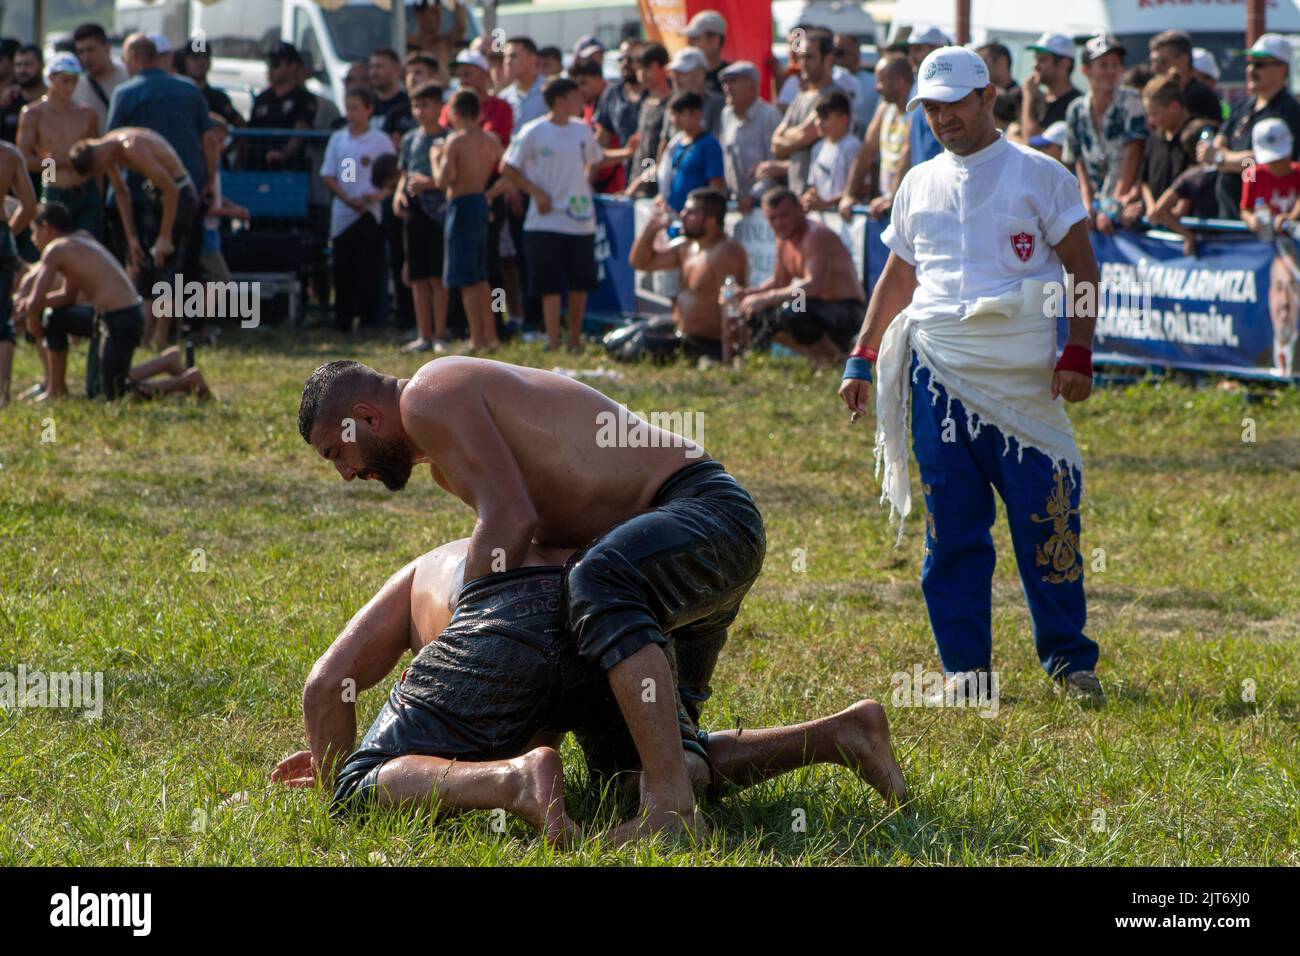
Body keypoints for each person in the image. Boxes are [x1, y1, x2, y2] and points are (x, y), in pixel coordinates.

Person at [296, 356, 768, 840]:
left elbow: (510, 520)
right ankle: (836, 735)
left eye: (336, 452)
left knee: (595, 580)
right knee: (654, 761)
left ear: (366, 417)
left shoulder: (427, 393)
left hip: (707, 517)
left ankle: (673, 812)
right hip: (671, 576)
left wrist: (464, 640)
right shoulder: (444, 458)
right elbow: (536, 548)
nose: (345, 473)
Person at [271, 536, 906, 846]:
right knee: (654, 768)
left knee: (358, 789)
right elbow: (539, 706)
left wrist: (337, 772)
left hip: (503, 628)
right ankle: (837, 734)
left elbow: (329, 684)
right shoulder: (539, 541)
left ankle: (513, 782)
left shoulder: (427, 574)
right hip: (605, 612)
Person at [838, 47, 1103, 703]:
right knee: (951, 529)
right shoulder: (917, 182)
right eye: (930, 106)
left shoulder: (1041, 175)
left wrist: (1079, 350)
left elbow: (1082, 268)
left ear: (989, 97)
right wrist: (863, 352)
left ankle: (1070, 664)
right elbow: (900, 274)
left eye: (954, 101)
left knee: (1049, 519)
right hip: (937, 375)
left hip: (1027, 378)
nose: (942, 116)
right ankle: (966, 675)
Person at [501, 77, 629, 351]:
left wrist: (628, 153)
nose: (580, 102)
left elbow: (598, 157)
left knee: (579, 283)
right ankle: (552, 340)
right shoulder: (533, 131)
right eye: (575, 97)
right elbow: (508, 168)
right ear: (559, 101)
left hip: (580, 221)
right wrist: (537, 193)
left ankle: (574, 340)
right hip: (543, 221)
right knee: (548, 285)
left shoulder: (582, 130)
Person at [69, 127, 202, 346]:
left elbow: (171, 190)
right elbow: (122, 193)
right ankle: (145, 336)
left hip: (178, 194)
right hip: (157, 195)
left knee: (167, 265)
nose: (105, 171)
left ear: (98, 155)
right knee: (146, 266)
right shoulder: (108, 148)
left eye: (100, 169)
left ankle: (162, 335)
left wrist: (165, 236)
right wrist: (131, 237)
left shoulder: (132, 146)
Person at [18, 201, 145, 400]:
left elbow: (35, 301)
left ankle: (184, 379)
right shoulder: (82, 238)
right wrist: (33, 306)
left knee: (108, 393)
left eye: (33, 232)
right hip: (118, 316)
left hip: (119, 319)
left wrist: (33, 324)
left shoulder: (55, 250)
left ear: (47, 228)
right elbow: (66, 296)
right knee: (55, 317)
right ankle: (55, 389)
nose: (33, 240)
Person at [733, 187, 865, 366]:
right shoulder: (783, 239)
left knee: (794, 311)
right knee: (759, 313)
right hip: (815, 307)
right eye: (773, 218)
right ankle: (818, 358)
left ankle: (837, 360)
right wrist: (748, 294)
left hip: (847, 310)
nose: (779, 223)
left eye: (784, 216)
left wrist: (766, 298)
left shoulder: (816, 235)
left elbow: (814, 285)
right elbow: (779, 282)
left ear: (799, 210)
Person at [629, 187, 748, 362]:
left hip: (706, 343)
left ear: (711, 221)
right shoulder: (686, 247)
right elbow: (640, 263)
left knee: (633, 349)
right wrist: (651, 227)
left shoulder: (726, 251)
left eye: (691, 212)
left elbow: (730, 306)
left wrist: (728, 360)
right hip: (679, 331)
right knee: (616, 341)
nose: (682, 215)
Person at [1199, 34, 1300, 222]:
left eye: (1260, 64)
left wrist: (1221, 158)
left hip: (1262, 221)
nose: (1251, 70)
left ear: (1283, 70)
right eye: (1249, 63)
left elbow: (1265, 159)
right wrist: (1218, 154)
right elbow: (1222, 138)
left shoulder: (1288, 112)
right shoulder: (1245, 104)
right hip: (1228, 214)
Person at [320, 86, 394, 333]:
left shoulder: (380, 140)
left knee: (368, 268)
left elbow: (392, 176)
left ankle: (368, 320)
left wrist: (377, 196)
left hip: (369, 212)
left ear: (369, 110)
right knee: (343, 268)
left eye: (356, 108)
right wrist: (347, 198)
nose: (350, 113)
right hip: (344, 213)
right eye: (348, 108)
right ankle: (342, 318)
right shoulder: (339, 138)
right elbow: (329, 175)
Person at [433, 89, 501, 351]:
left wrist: (435, 157)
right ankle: (491, 336)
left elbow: (443, 181)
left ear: (456, 112)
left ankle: (476, 338)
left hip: (461, 205)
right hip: (480, 202)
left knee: (466, 278)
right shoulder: (491, 139)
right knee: (481, 275)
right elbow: (506, 167)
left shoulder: (455, 141)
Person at [1066, 35, 1146, 235]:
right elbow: (1078, 161)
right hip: (1092, 208)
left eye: (1116, 65)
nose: (1110, 71)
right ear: (1086, 70)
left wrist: (1110, 207)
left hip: (1123, 206)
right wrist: (1086, 204)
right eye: (1103, 65)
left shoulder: (1131, 101)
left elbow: (1133, 155)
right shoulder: (1076, 110)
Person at [16, 53, 102, 239]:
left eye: (74, 81)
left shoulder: (86, 114)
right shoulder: (33, 113)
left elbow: (98, 159)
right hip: (53, 184)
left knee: (87, 249)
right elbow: (23, 159)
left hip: (84, 188)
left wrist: (98, 192)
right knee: (53, 247)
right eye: (65, 81)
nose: (70, 87)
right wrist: (60, 162)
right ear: (51, 79)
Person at [1240, 118, 1300, 377]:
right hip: (1270, 249)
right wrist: (1253, 220)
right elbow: (1245, 208)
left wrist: (1290, 218)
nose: (1277, 164)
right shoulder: (1251, 170)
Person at [393, 81, 448, 353]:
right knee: (417, 276)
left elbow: (452, 179)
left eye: (426, 105)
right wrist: (398, 195)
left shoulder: (448, 138)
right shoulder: (409, 139)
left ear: (439, 106)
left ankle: (439, 334)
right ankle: (423, 334)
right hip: (414, 212)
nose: (420, 111)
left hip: (438, 213)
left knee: (437, 277)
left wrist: (429, 184)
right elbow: (404, 173)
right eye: (416, 105)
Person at [838, 53, 913, 221]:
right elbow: (866, 151)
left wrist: (893, 197)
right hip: (888, 206)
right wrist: (848, 195)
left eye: (881, 81)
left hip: (909, 207)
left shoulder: (918, 112)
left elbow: (907, 155)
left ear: (900, 82)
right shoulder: (885, 108)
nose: (876, 88)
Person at [770, 31, 836, 195]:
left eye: (809, 57)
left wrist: (791, 136)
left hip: (820, 200)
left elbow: (806, 135)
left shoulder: (834, 96)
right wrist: (798, 135)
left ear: (827, 59)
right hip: (797, 193)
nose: (803, 63)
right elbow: (775, 144)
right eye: (801, 57)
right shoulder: (799, 98)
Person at [0, 138, 36, 405]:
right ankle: (1, 394)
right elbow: (30, 205)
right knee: (3, 320)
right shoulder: (9, 154)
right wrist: (8, 233)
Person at [717, 61, 780, 214]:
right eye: (725, 83)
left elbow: (773, 164)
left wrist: (753, 196)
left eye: (733, 82)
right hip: (735, 203)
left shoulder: (769, 116)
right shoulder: (726, 114)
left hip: (764, 207)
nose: (727, 88)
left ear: (752, 85)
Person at [246, 42, 316, 170]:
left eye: (276, 64)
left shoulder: (304, 98)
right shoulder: (262, 98)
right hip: (258, 168)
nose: (270, 69)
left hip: (290, 170)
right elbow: (249, 133)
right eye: (269, 64)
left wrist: (283, 153)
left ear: (292, 66)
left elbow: (300, 131)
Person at [1138, 74, 1196, 220]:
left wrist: (1181, 205)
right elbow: (1144, 180)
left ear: (1174, 106)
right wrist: (1152, 207)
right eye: (1149, 114)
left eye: (1156, 113)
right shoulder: (1153, 139)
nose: (1151, 121)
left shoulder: (1196, 134)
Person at [660, 91, 725, 214]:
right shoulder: (675, 144)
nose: (675, 119)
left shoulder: (709, 144)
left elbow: (716, 187)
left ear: (696, 114)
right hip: (674, 217)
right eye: (673, 114)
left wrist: (705, 218)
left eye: (681, 114)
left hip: (697, 223)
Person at [625, 43, 673, 198]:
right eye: (639, 69)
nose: (641, 74)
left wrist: (644, 181)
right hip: (639, 184)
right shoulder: (645, 103)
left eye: (647, 68)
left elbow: (663, 153)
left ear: (662, 67)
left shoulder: (672, 105)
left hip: (658, 189)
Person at [1148, 30, 1221, 124]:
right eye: (1152, 62)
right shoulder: (1165, 93)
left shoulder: (1199, 97)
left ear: (1183, 60)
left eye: (1160, 61)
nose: (1155, 68)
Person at [803, 90, 859, 211]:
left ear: (843, 118)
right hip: (822, 218)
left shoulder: (853, 146)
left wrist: (826, 204)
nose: (818, 123)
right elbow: (814, 185)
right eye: (817, 118)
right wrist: (809, 197)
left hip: (847, 223)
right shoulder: (817, 148)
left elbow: (861, 188)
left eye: (824, 117)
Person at [1019, 32, 1080, 142]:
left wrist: (1028, 97)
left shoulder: (1075, 105)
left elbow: (1031, 142)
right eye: (1036, 60)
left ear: (1064, 64)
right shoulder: (1038, 99)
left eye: (1042, 60)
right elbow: (1014, 133)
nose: (1035, 66)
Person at [901, 26, 949, 166]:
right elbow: (910, 142)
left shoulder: (948, 89)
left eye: (918, 50)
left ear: (937, 49)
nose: (912, 57)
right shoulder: (917, 86)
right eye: (910, 51)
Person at [71, 24, 129, 133]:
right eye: (81, 52)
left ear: (107, 48)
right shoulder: (75, 86)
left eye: (91, 50)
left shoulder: (128, 77)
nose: (86, 57)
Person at [177, 39, 243, 129]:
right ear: (185, 61)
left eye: (204, 57)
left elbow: (240, 125)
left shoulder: (219, 99)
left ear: (210, 62)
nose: (200, 62)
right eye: (195, 57)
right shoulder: (177, 96)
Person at [662, 47, 724, 140]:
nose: (675, 79)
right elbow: (664, 141)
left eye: (682, 73)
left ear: (700, 75)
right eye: (674, 73)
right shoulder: (671, 104)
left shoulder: (718, 104)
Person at [0, 45, 46, 144]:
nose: (22, 70)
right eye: (18, 65)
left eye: (27, 64)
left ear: (41, 65)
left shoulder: (53, 101)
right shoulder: (8, 101)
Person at [500, 37, 546, 132]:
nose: (508, 62)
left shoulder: (550, 93)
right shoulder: (503, 97)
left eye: (513, 56)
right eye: (505, 56)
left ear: (533, 58)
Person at [835, 34, 878, 135]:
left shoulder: (876, 83)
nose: (834, 56)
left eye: (840, 52)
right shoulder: (827, 82)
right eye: (835, 52)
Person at [683, 9, 730, 94]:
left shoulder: (732, 78)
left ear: (715, 41)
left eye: (695, 38)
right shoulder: (683, 75)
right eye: (689, 39)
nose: (689, 44)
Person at [368, 48, 410, 125]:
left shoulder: (409, 105)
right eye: (371, 67)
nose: (373, 72)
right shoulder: (365, 105)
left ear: (397, 69)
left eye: (379, 67)